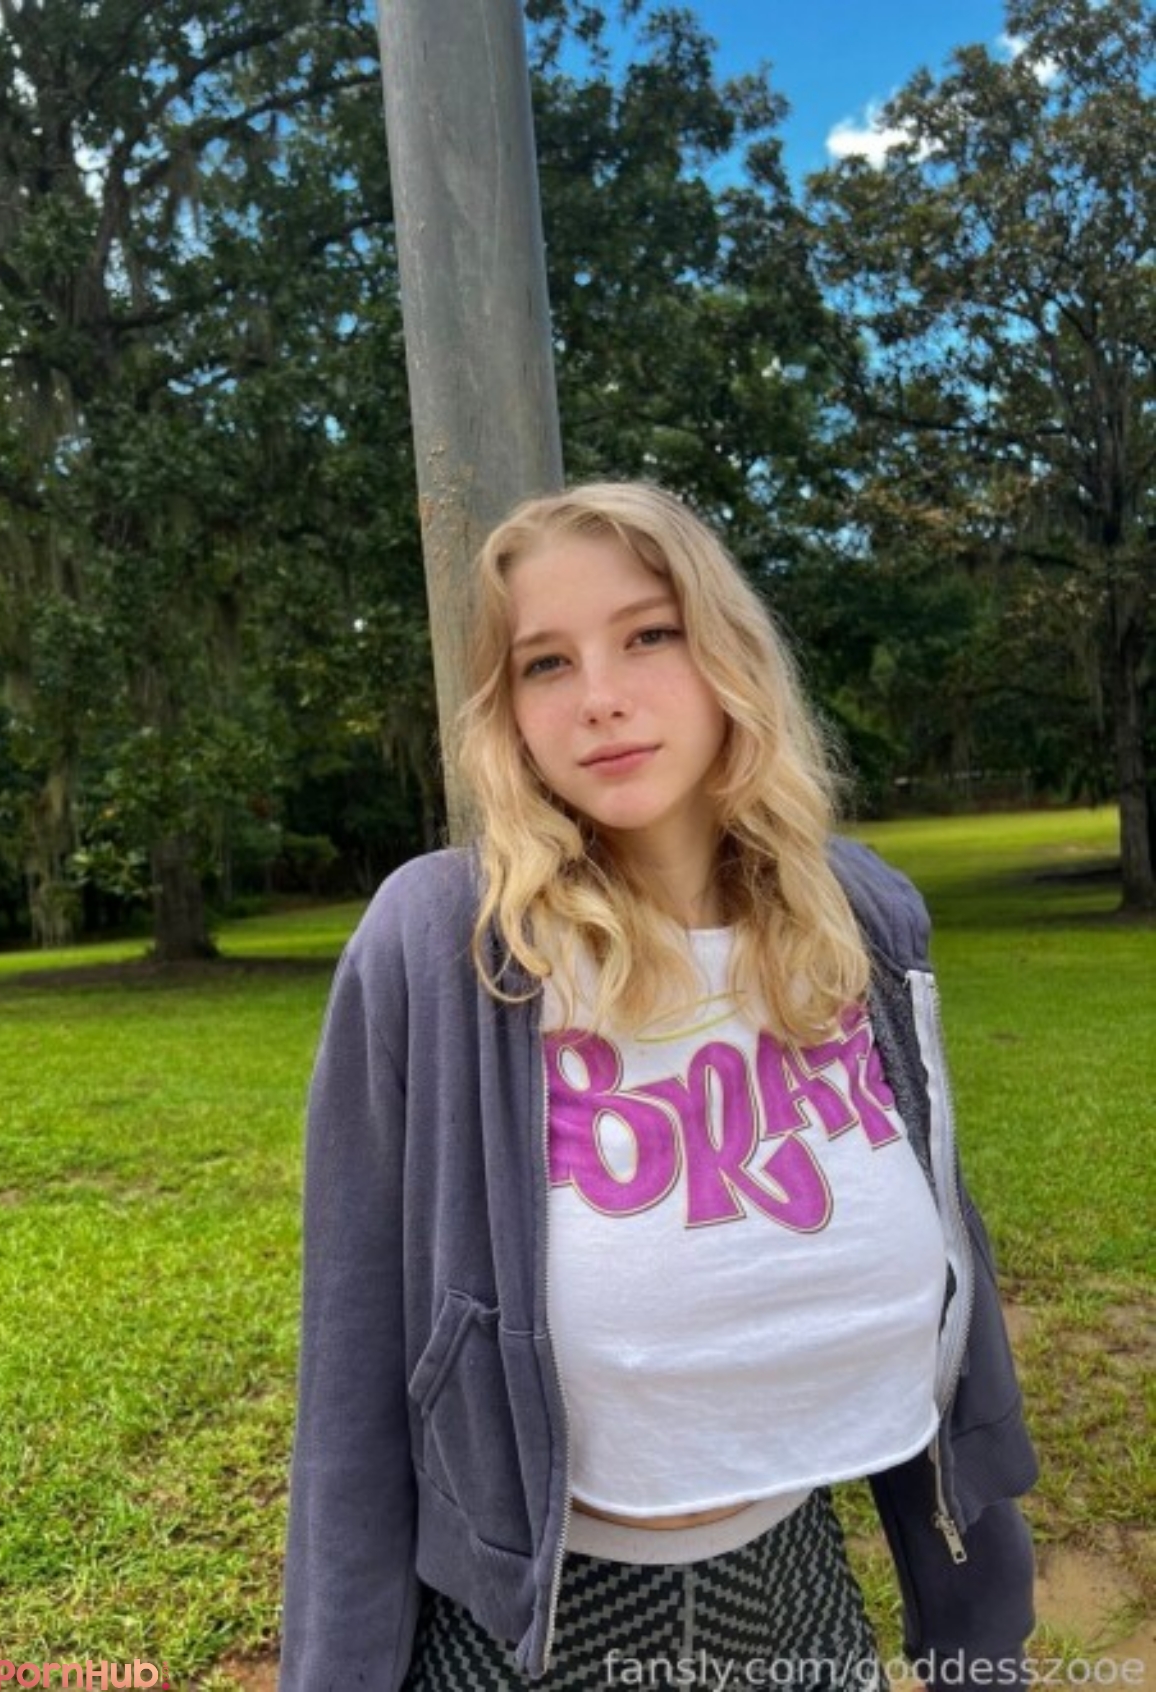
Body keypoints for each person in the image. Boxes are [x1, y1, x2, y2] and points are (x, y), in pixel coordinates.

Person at [278, 482, 1038, 1692]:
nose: (599, 697)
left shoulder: (863, 918)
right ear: (506, 710)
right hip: (535, 1630)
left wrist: (978, 1630)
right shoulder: (443, 943)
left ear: (725, 651)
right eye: (544, 663)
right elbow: (353, 1365)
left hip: (799, 1590)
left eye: (647, 634)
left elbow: (955, 1268)